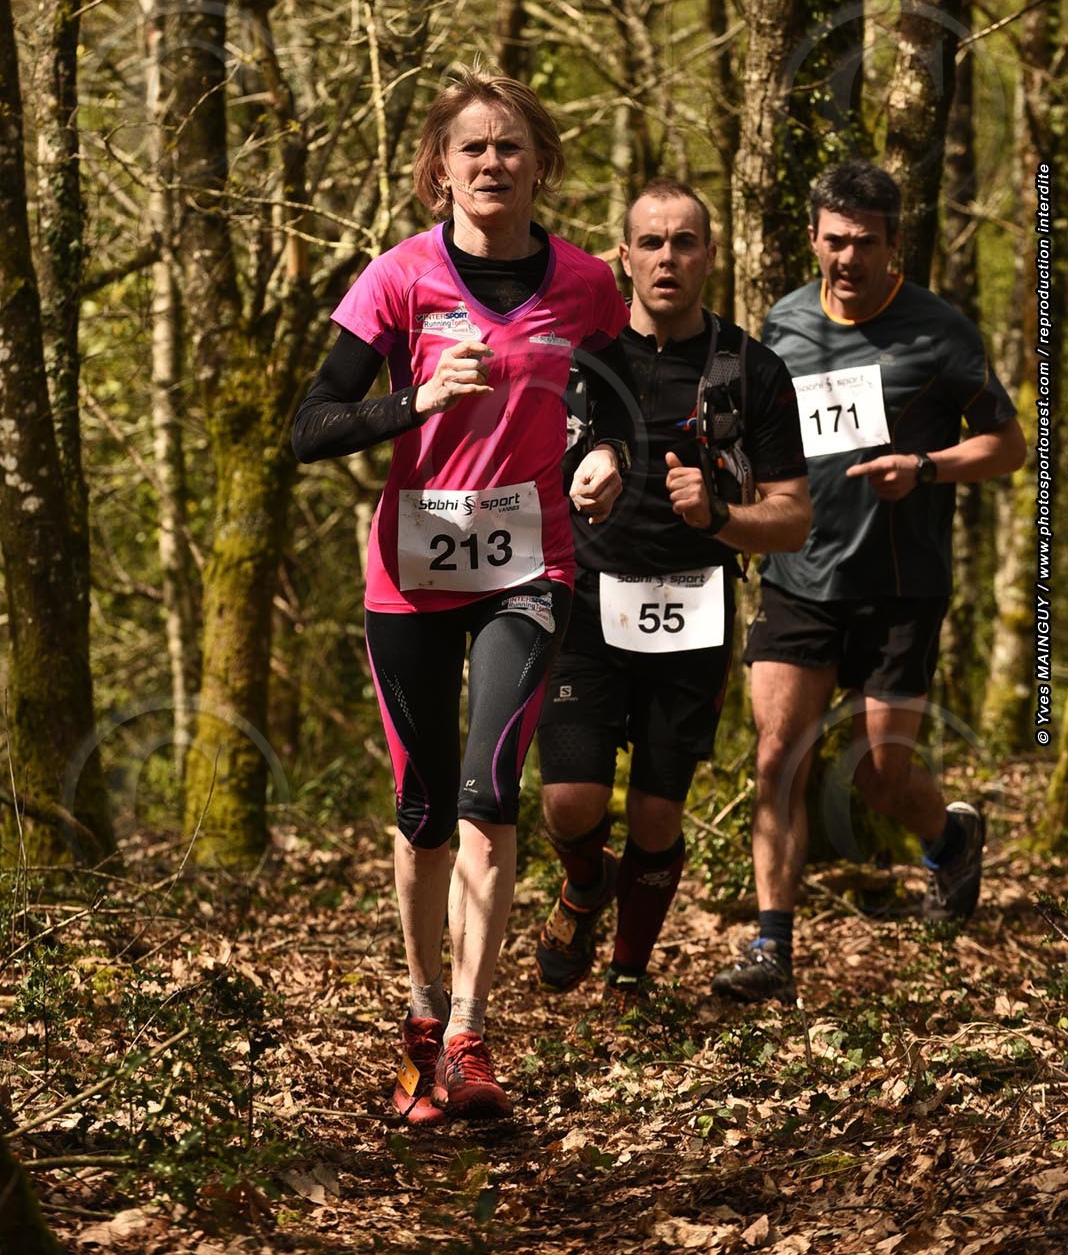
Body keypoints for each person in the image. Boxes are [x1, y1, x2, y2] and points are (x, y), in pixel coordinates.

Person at [292, 67, 633, 1121]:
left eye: (510, 145)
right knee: (426, 807)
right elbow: (311, 426)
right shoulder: (397, 278)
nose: (492, 162)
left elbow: (620, 402)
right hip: (411, 572)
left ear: (542, 164)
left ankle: (472, 1039)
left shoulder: (588, 285)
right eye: (472, 147)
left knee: (490, 792)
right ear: (439, 169)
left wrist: (607, 455)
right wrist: (415, 398)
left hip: (529, 568)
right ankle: (421, 1018)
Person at [712, 159, 1027, 1005]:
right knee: (778, 756)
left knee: (880, 776)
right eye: (835, 241)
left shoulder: (939, 330)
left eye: (865, 243)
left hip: (900, 583)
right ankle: (772, 946)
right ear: (814, 238)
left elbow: (1008, 446)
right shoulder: (782, 322)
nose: (848, 258)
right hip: (799, 574)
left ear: (894, 244)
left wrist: (924, 467)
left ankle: (950, 841)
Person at [534, 179, 810, 1009]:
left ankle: (628, 973)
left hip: (692, 609)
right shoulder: (581, 360)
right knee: (569, 801)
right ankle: (585, 885)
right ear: (623, 257)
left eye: (684, 242)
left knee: (657, 817)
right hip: (586, 600)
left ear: (710, 256)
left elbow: (794, 519)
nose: (667, 258)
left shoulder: (751, 369)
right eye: (650, 243)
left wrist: (719, 516)